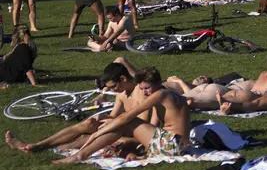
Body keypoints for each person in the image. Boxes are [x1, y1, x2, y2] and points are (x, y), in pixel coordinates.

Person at [53, 67, 192, 164]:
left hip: (173, 144)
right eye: (142, 89)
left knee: (129, 122)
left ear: (158, 83)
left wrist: (98, 133)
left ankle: (80, 155)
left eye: (147, 88)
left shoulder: (161, 94)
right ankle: (79, 151)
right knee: (127, 130)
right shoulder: (168, 95)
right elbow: (155, 125)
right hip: (177, 144)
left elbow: (127, 117)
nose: (144, 92)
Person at [5, 61, 141, 155]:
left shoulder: (141, 93)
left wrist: (109, 123)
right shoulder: (122, 95)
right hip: (121, 127)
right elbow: (113, 116)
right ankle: (40, 145)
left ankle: (39, 148)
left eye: (113, 87)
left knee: (86, 137)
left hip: (135, 133)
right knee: (89, 123)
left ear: (123, 79)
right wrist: (104, 119)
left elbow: (142, 124)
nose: (113, 91)